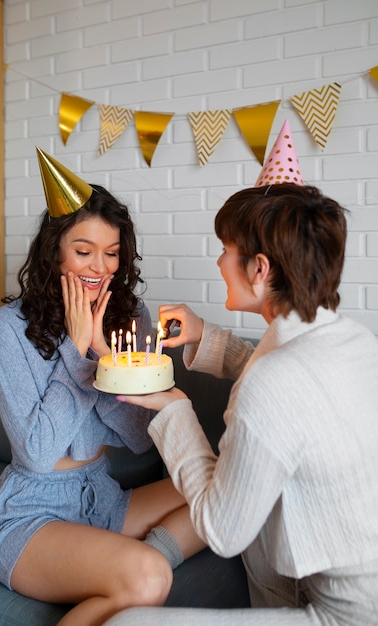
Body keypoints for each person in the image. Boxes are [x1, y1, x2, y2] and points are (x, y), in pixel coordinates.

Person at [114, 182, 378, 625]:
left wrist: (176, 408)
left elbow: (222, 530)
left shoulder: (273, 381)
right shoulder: (355, 340)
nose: (219, 261)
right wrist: (206, 334)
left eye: (226, 248)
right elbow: (288, 381)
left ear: (259, 268)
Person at [0, 149, 205, 626]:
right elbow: (37, 453)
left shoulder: (130, 320)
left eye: (112, 253)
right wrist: (77, 354)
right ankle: (133, 564)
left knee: (220, 483)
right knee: (149, 576)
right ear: (54, 250)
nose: (99, 267)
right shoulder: (8, 329)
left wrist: (105, 353)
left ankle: (118, 559)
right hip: (30, 513)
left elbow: (141, 438)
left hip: (102, 499)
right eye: (83, 251)